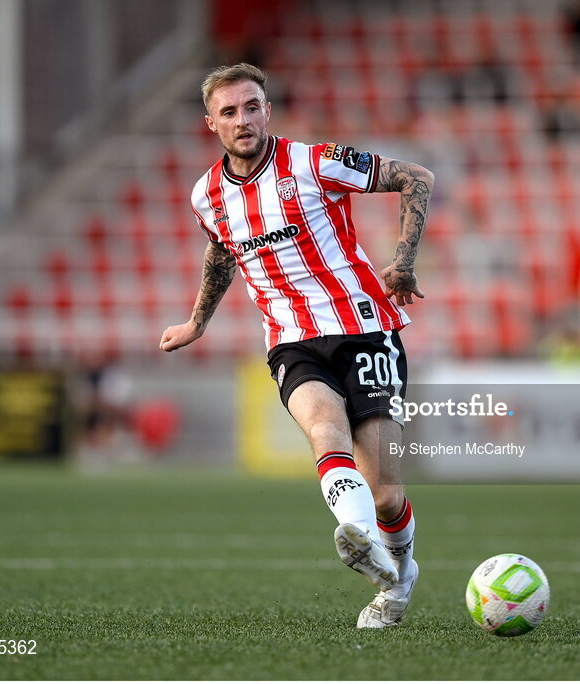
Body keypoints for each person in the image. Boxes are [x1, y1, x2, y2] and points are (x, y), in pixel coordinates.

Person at [158, 64, 434, 628]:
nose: (243, 120)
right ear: (210, 123)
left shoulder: (315, 161)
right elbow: (221, 254)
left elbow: (417, 178)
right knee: (324, 429)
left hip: (364, 326)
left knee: (385, 490)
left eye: (252, 106)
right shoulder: (206, 195)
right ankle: (359, 541)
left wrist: (403, 262)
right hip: (290, 341)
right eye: (229, 112)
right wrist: (196, 323)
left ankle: (399, 573)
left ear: (267, 110)